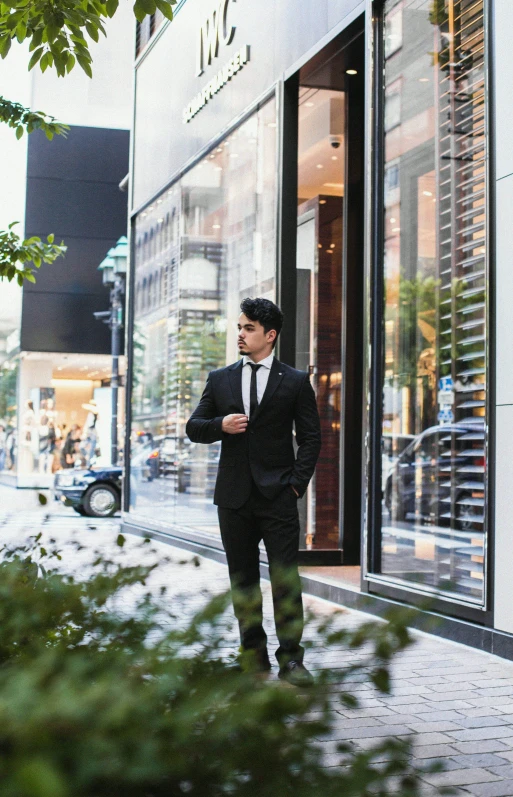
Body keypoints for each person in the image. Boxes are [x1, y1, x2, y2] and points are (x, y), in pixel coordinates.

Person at [186, 297, 321, 686]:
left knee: (285, 581)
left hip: (278, 496)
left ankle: (292, 661)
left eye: (248, 328)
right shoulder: (220, 378)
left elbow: (311, 439)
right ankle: (253, 658)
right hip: (233, 498)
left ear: (270, 334)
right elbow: (194, 426)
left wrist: (296, 485)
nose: (240, 334)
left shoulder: (295, 382)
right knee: (242, 581)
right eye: (240, 327)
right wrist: (220, 425)